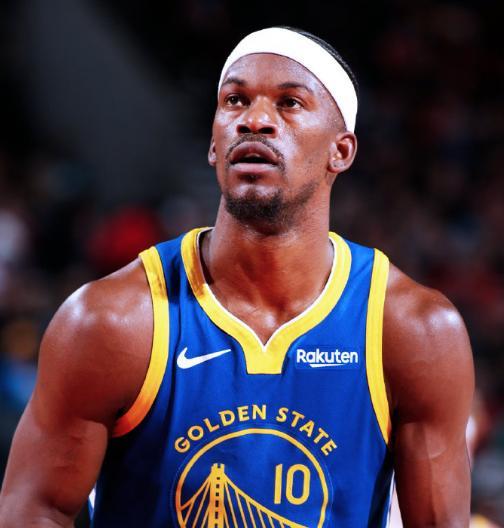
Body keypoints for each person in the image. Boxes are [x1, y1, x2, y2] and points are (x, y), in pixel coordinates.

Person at [0, 27, 474, 527]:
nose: (255, 119)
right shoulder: (111, 321)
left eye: (290, 103)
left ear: (341, 151)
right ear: (213, 144)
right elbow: (36, 510)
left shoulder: (413, 330)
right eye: (235, 101)